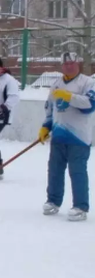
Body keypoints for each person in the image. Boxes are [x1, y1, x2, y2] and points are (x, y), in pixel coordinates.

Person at [40, 51, 95, 222]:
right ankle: (53, 201)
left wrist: (69, 97)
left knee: (77, 172)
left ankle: (80, 206)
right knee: (54, 170)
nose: (68, 66)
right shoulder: (56, 83)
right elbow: (50, 109)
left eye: (71, 63)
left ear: (77, 64)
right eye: (65, 64)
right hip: (59, 135)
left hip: (78, 137)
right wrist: (45, 127)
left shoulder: (88, 82)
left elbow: (90, 105)